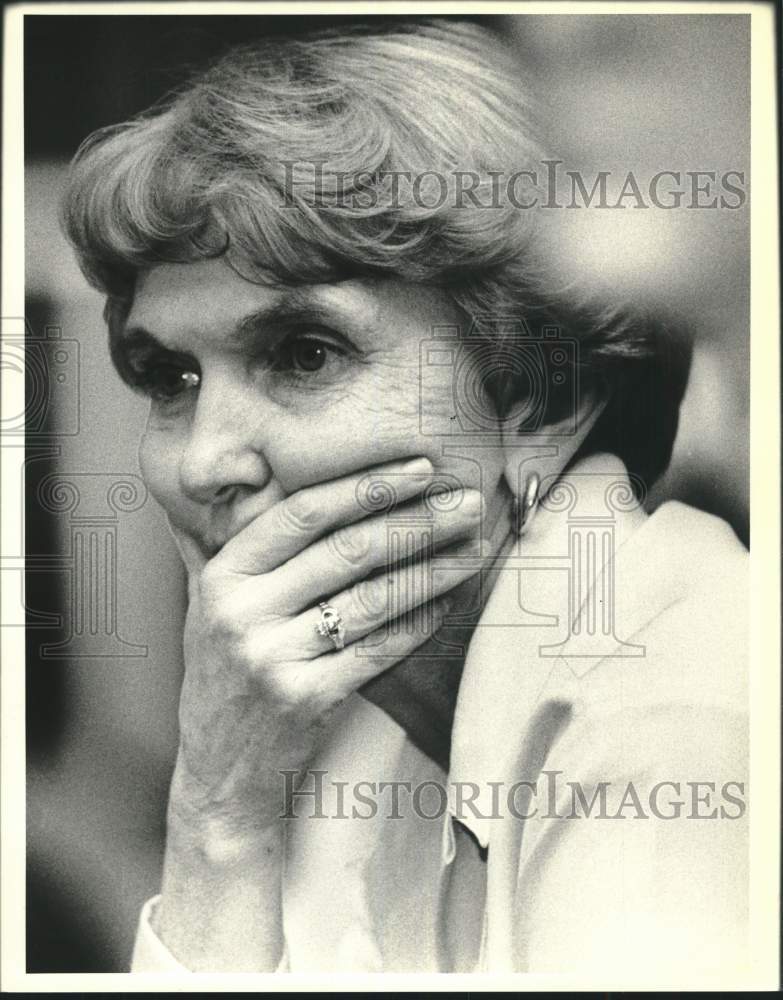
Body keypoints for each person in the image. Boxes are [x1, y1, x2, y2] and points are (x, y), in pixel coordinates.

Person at [61, 19, 749, 976]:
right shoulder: (385, 762)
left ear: (539, 400)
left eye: (305, 354)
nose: (206, 461)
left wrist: (221, 815)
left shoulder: (664, 706)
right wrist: (221, 819)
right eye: (170, 378)